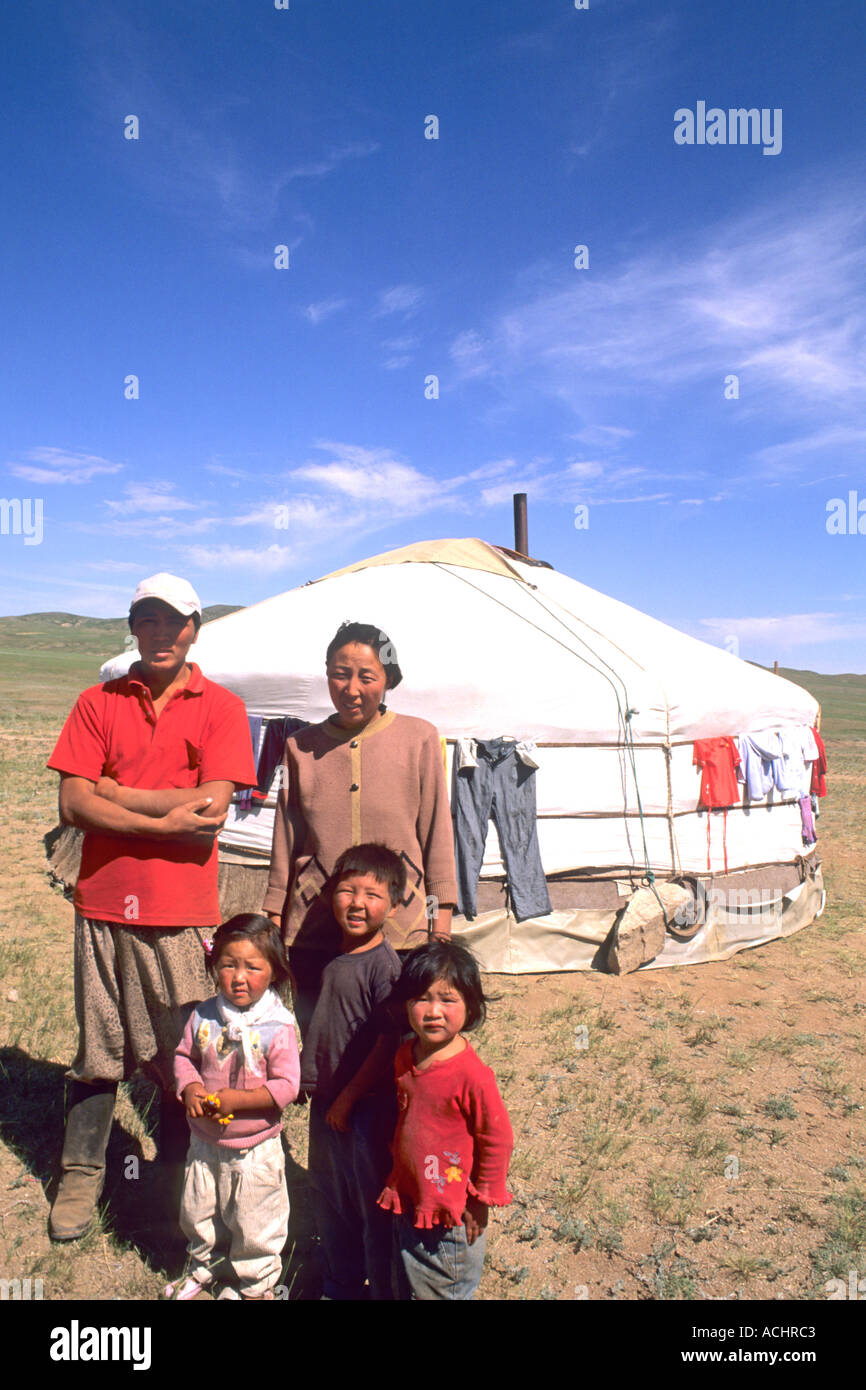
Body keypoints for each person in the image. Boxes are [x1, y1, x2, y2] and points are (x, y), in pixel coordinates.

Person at [46, 573, 257, 1241]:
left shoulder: (221, 707)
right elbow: (73, 804)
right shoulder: (96, 701)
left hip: (183, 912)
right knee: (99, 1046)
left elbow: (213, 807)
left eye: (175, 621)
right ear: (133, 626)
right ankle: (81, 1175)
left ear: (195, 628)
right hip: (103, 901)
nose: (161, 632)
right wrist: (166, 815)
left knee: (182, 1052)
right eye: (148, 620)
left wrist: (120, 795)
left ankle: (175, 1177)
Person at [262, 620, 458, 1035]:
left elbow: (436, 832)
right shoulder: (300, 746)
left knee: (396, 1045)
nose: (351, 688)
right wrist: (275, 914)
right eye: (340, 674)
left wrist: (440, 920)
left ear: (388, 679)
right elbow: (286, 836)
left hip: (401, 925)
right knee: (321, 1042)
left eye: (366, 677)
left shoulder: (418, 739)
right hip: (315, 924)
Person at [168, 914, 300, 1301]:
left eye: (252, 968)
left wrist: (238, 1102)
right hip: (204, 1143)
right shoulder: (203, 1016)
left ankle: (255, 1286)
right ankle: (203, 1267)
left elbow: (286, 1086)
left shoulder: (278, 1027)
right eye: (228, 965)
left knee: (255, 1218)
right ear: (214, 967)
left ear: (273, 972)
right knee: (199, 1210)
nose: (238, 977)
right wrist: (190, 1085)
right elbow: (183, 1057)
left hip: (254, 1150)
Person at [378, 938, 513, 1301]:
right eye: (422, 998)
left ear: (470, 1008)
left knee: (443, 1289)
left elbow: (496, 1139)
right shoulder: (405, 1055)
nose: (433, 1011)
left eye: (447, 999)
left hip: (450, 1211)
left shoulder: (472, 1076)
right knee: (410, 1284)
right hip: (412, 1197)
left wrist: (480, 1200)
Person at [302, 844, 406, 1300]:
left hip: (363, 1109)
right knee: (329, 1196)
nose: (358, 903)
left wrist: (347, 1098)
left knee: (367, 1205)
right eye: (347, 890)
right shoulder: (328, 956)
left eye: (373, 894)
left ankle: (378, 1287)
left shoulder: (384, 969)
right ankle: (340, 1284)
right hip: (328, 1103)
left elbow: (388, 1044)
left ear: (395, 905)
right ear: (330, 895)